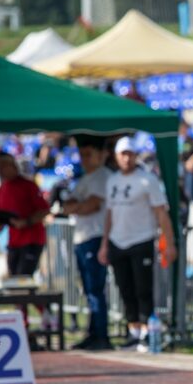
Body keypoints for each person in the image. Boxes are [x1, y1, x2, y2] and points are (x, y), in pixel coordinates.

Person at [98, 136, 177, 352]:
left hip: (141, 239)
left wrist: (169, 243)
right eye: (122, 154)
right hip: (117, 240)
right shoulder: (112, 181)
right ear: (116, 157)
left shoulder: (147, 180)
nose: (126, 158)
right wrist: (105, 243)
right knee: (125, 288)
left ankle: (147, 332)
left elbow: (162, 213)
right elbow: (109, 213)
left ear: (135, 156)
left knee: (143, 287)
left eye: (130, 154)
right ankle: (133, 331)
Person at [60, 135, 111, 350]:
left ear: (101, 155)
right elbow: (66, 206)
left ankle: (101, 335)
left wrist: (77, 206)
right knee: (89, 289)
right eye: (82, 155)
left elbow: (92, 205)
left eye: (89, 155)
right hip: (83, 238)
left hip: (95, 237)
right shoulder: (83, 179)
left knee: (95, 288)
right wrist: (79, 205)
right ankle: (93, 332)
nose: (85, 160)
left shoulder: (102, 177)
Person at [0, 151, 49, 279]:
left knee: (23, 278)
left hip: (31, 240)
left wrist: (26, 222)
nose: (1, 170)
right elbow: (1, 218)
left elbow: (44, 210)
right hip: (14, 243)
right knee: (14, 279)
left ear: (13, 166)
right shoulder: (1, 190)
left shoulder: (29, 186)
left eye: (4, 166)